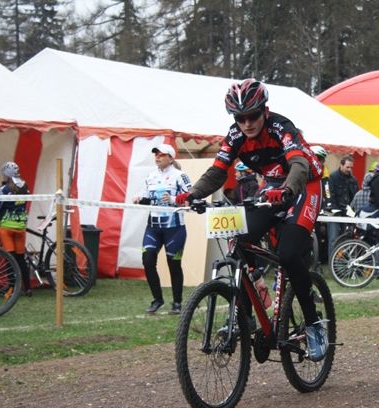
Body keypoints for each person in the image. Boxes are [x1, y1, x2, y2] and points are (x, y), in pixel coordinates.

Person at [177, 79, 328, 362]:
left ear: (264, 110)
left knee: (289, 254)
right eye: (240, 118)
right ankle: (246, 314)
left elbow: (299, 164)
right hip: (272, 187)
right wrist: (194, 194)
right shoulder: (235, 136)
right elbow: (218, 171)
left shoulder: (281, 127)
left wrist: (288, 190)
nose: (247, 123)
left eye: (252, 116)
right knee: (239, 239)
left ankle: (313, 324)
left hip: (304, 185)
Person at [133, 143, 192, 315]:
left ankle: (177, 303)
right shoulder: (150, 176)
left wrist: (173, 199)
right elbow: (147, 198)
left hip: (174, 228)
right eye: (156, 154)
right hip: (153, 227)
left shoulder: (180, 176)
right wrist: (138, 198)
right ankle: (157, 300)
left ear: (171, 158)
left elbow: (192, 198)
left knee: (174, 265)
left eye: (161, 154)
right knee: (148, 261)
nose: (157, 157)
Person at [0, 162, 32, 295]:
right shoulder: (25, 187)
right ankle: (28, 288)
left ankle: (12, 288)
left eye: (3, 174)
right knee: (20, 259)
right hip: (20, 228)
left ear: (6, 175)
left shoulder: (4, 189)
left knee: (9, 259)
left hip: (6, 228)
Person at [326, 154, 358, 260]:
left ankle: (344, 262)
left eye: (351, 167)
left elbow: (355, 197)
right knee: (333, 238)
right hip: (334, 213)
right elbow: (329, 195)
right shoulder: (332, 177)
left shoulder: (353, 180)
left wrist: (352, 212)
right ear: (341, 165)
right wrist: (335, 210)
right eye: (347, 167)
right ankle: (332, 262)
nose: (349, 169)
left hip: (348, 214)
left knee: (347, 239)